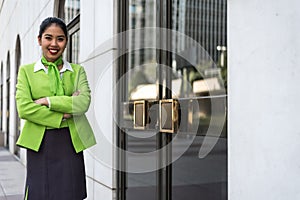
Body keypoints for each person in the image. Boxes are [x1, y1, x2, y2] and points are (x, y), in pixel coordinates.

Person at [15, 17, 96, 200]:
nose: (54, 44)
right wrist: (64, 113)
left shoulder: (77, 71)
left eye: (60, 39)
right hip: (40, 143)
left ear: (66, 42)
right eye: (48, 38)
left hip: (70, 142)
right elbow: (24, 108)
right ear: (39, 40)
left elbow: (83, 103)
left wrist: (46, 101)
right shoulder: (26, 72)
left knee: (71, 193)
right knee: (40, 193)